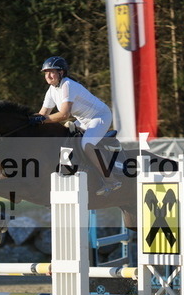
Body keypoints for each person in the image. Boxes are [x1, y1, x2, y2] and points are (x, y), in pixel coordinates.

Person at [29, 56, 121, 196]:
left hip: (100, 116)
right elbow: (42, 114)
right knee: (66, 135)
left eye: (51, 72)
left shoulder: (67, 85)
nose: (48, 75)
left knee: (86, 144)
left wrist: (41, 119)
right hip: (84, 120)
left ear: (61, 73)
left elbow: (64, 114)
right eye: (46, 72)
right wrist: (27, 120)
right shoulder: (52, 90)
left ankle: (110, 180)